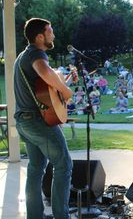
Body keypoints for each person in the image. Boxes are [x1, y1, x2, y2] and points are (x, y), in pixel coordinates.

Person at [13, 18, 73, 219]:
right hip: (37, 122)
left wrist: (62, 84)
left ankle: (35, 216)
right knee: (64, 164)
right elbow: (46, 72)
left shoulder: (23, 56)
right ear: (40, 37)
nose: (53, 34)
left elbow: (45, 88)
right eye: (50, 31)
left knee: (36, 168)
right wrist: (66, 90)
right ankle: (61, 216)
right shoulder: (36, 53)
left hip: (24, 121)